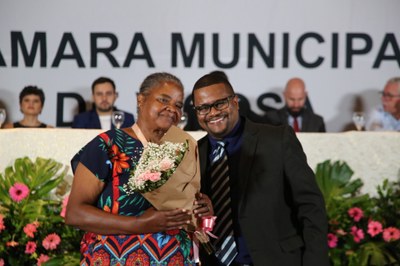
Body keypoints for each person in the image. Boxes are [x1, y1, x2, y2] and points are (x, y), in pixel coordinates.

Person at [65, 72, 213, 265]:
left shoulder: (183, 150)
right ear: (140, 99)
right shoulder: (109, 145)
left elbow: (185, 209)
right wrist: (140, 225)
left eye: (178, 105)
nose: (172, 109)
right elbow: (75, 214)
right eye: (163, 100)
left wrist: (202, 210)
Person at [192, 72, 329, 265]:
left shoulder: (277, 139)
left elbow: (311, 206)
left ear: (235, 102)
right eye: (203, 108)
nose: (213, 113)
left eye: (220, 103)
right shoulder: (194, 153)